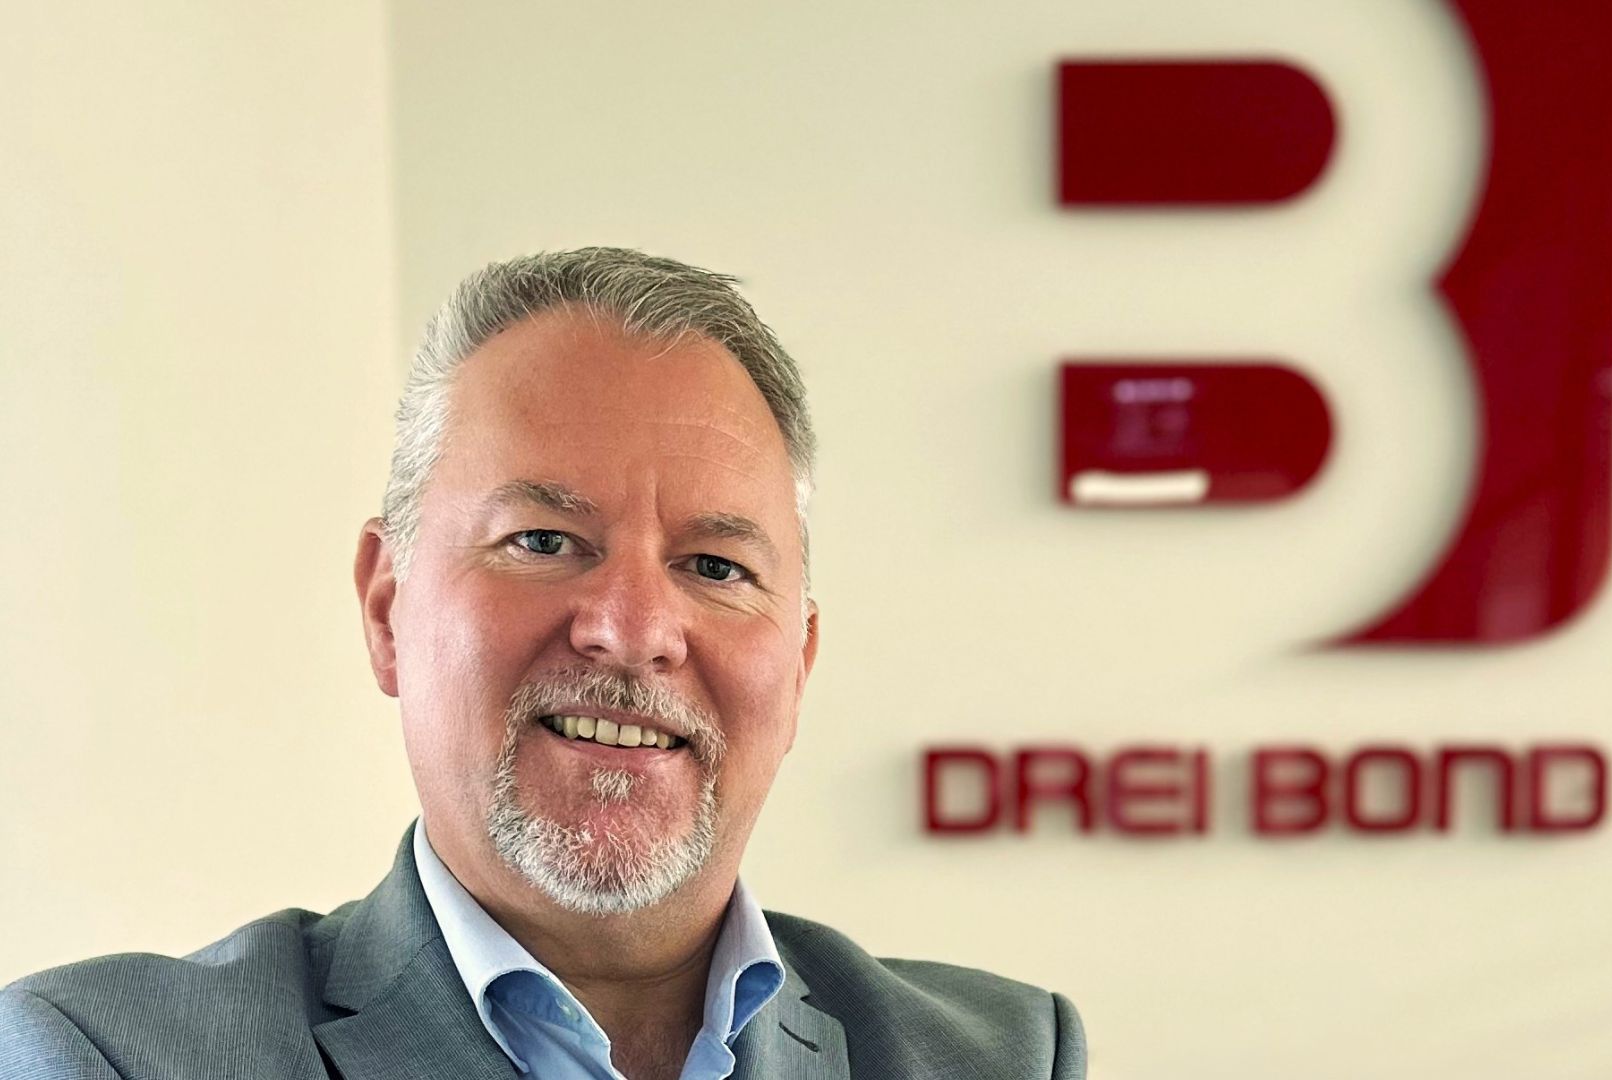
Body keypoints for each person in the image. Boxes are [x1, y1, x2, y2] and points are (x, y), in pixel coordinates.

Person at [0, 247, 1086, 1080]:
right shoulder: (109, 1056)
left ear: (798, 664)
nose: (633, 628)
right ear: (387, 609)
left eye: (715, 566)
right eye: (544, 541)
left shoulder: (1001, 1056)